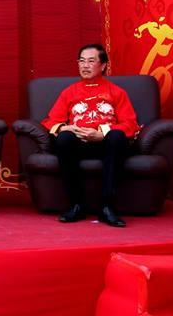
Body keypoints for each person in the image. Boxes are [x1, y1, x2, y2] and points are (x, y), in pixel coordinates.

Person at [41, 44, 138, 227]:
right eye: (81, 61)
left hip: (107, 145)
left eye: (91, 61)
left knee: (117, 137)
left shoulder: (117, 92)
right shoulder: (69, 92)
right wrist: (65, 128)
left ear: (103, 66)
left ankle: (107, 207)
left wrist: (102, 133)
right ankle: (76, 205)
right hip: (78, 144)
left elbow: (130, 124)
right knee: (63, 139)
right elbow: (51, 120)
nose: (85, 66)